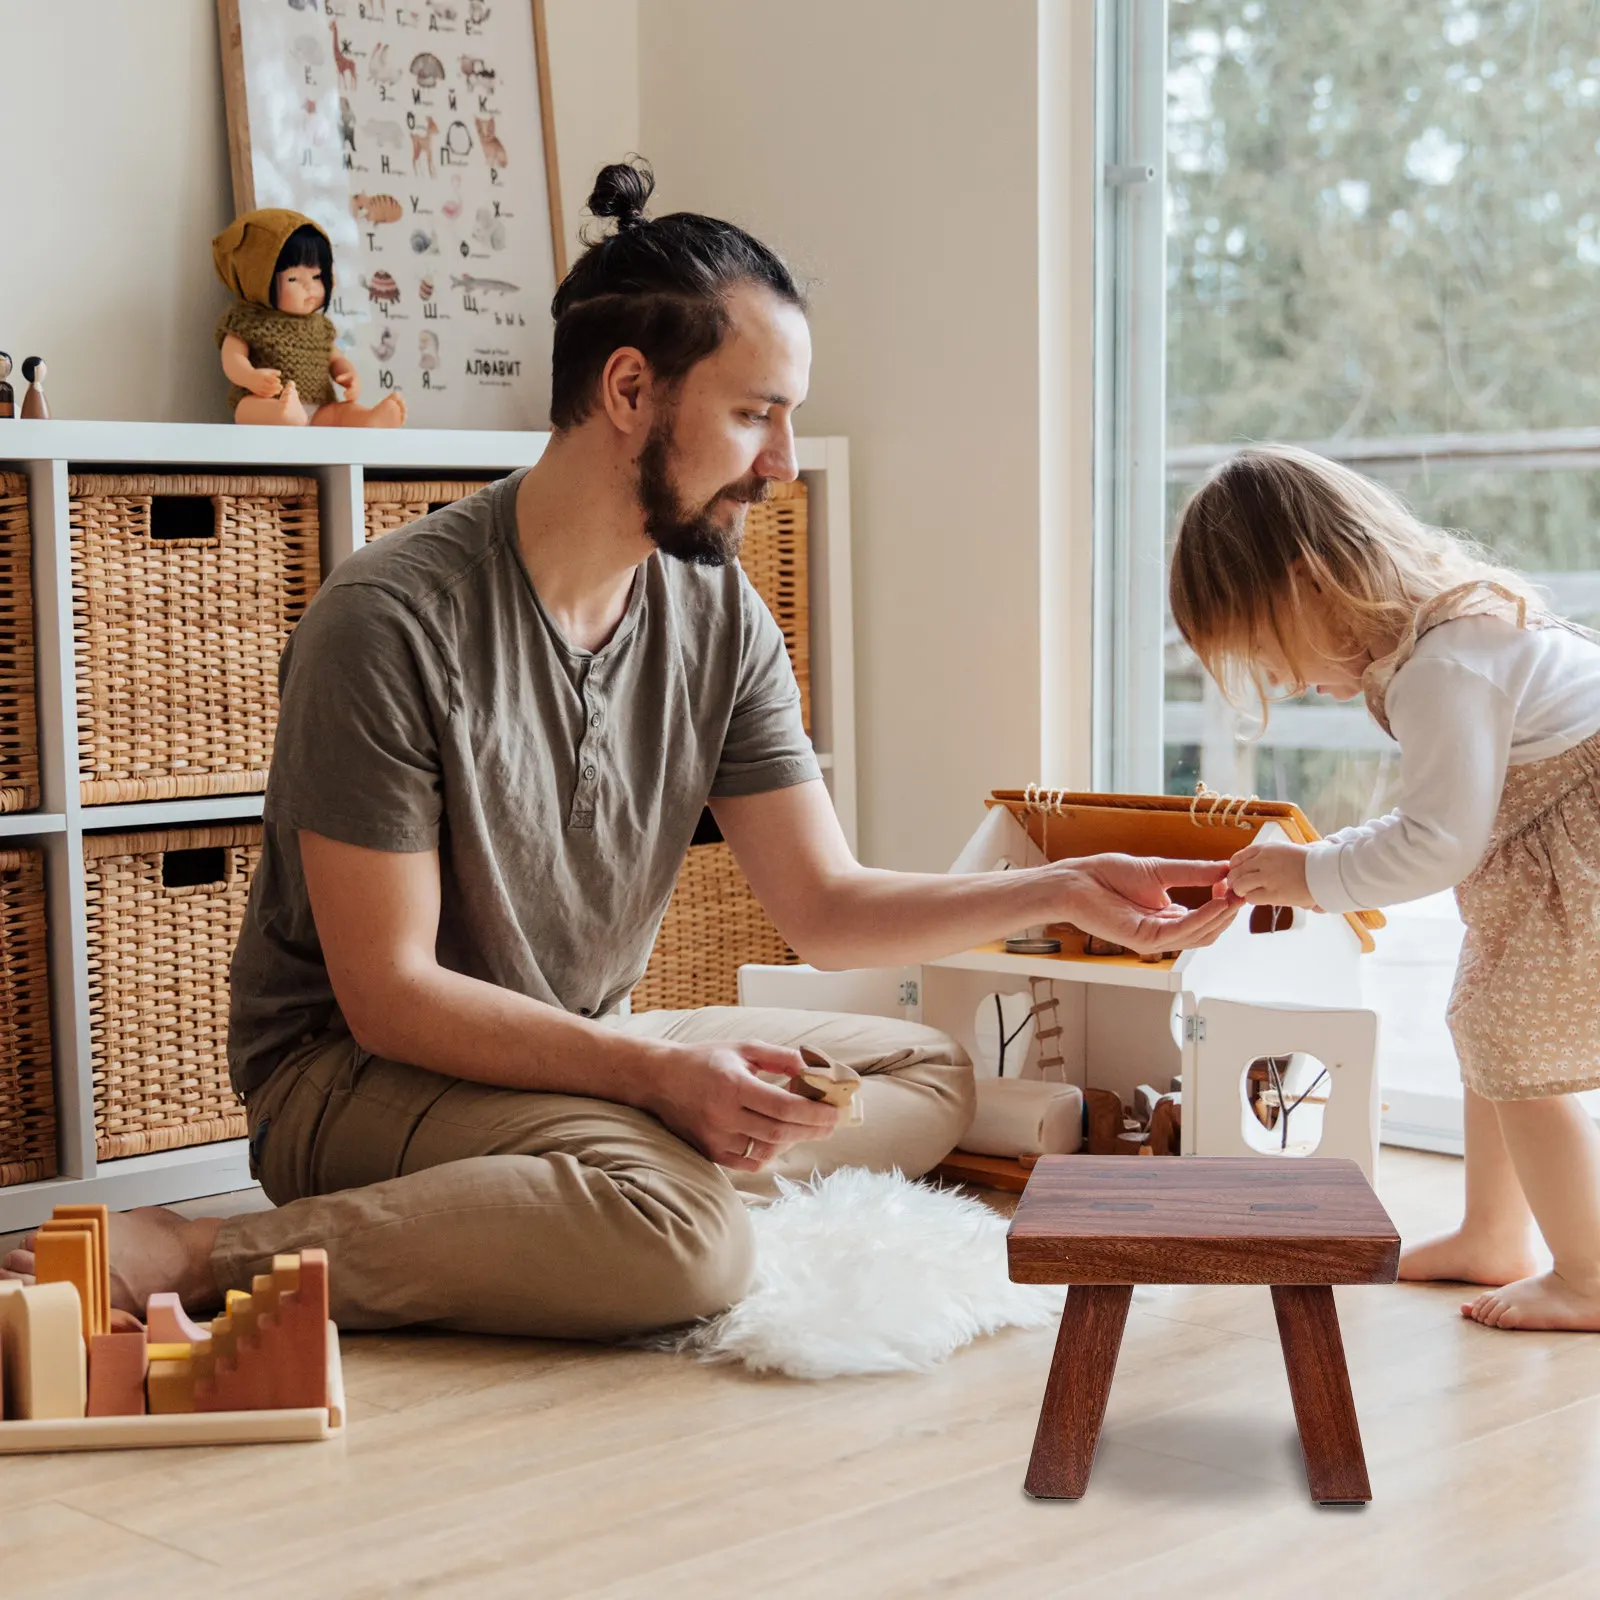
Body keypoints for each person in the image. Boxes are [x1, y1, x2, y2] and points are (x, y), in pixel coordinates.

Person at [3, 161, 1238, 1340]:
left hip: (580, 1045)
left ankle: (600, 1178)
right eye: (754, 415)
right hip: (353, 1076)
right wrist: (651, 1082)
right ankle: (208, 1253)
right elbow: (389, 997)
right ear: (631, 391)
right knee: (690, 1247)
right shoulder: (386, 622)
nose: (781, 465)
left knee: (920, 1074)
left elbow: (824, 907)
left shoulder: (718, 614)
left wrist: (1066, 890)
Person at [1169, 443, 1600, 1331]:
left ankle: (1590, 1275)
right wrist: (1318, 859)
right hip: (1553, 855)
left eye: (1269, 649)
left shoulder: (1445, 665)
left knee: (1511, 1038)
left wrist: (1315, 873)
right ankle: (1492, 1234)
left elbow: (1439, 842)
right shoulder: (1440, 640)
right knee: (1488, 1021)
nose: (1285, 682)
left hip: (1581, 856)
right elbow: (1444, 817)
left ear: (1312, 583)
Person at [212, 208, 406, 428]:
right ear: (256, 279)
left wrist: (347, 373)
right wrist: (250, 377)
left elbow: (335, 358)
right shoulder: (247, 321)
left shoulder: (320, 327)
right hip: (267, 399)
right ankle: (284, 414)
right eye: (293, 279)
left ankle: (368, 420)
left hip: (320, 408)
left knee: (342, 413)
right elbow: (232, 359)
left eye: (316, 276)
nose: (309, 287)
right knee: (247, 408)